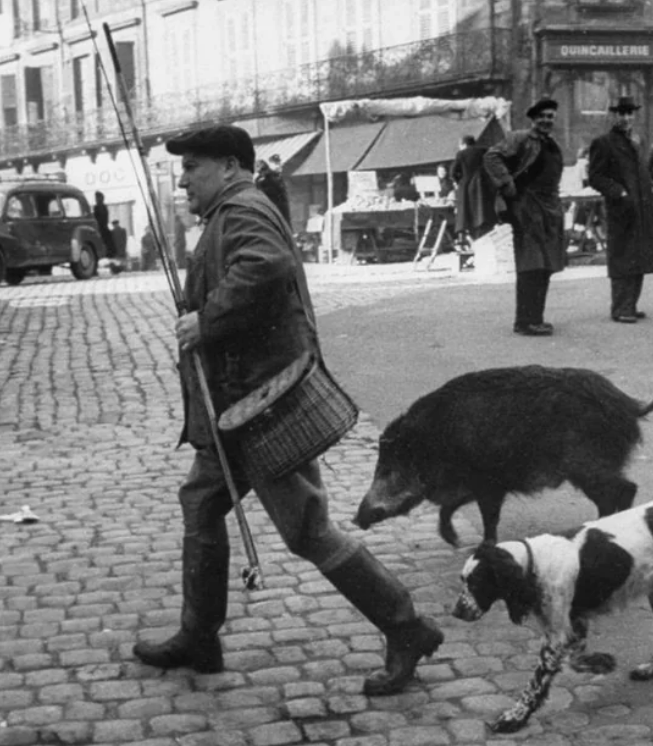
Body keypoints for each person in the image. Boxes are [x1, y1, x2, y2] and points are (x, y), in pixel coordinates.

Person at [133, 124, 443, 696]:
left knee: (308, 530)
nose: (184, 180)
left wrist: (207, 319)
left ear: (229, 166)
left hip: (260, 407)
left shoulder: (243, 208)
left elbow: (267, 267)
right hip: (238, 403)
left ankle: (407, 626)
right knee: (201, 504)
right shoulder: (230, 210)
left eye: (193, 168)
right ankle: (199, 635)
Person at [484, 97, 568, 336]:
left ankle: (536, 318)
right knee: (531, 264)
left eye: (550, 116)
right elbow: (491, 156)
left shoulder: (551, 144)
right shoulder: (519, 138)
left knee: (545, 266)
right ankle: (524, 321)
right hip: (527, 209)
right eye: (541, 116)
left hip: (548, 210)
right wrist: (507, 183)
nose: (546, 120)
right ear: (533, 119)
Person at [587, 96, 653, 324]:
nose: (627, 118)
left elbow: (642, 170)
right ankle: (620, 308)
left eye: (630, 113)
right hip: (621, 209)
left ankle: (631, 304)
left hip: (641, 208)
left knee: (639, 256)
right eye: (622, 113)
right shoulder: (604, 142)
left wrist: (650, 189)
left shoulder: (638, 140)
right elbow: (596, 177)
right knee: (622, 257)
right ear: (614, 116)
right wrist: (619, 193)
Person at [450, 135, 496, 241]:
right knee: (485, 213)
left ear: (463, 145)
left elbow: (453, 172)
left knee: (469, 216)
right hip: (486, 187)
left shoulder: (461, 154)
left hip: (468, 189)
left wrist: (459, 182)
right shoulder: (485, 151)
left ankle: (475, 239)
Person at [255, 158, 292, 223]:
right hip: (266, 206)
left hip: (278, 204)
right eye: (260, 172)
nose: (261, 173)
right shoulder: (259, 179)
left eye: (262, 170)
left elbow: (280, 190)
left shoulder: (274, 176)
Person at [92, 191, 112, 273]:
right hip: (102, 229)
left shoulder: (98, 207)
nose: (96, 199)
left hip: (101, 230)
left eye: (97, 198)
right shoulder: (101, 207)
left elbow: (99, 219)